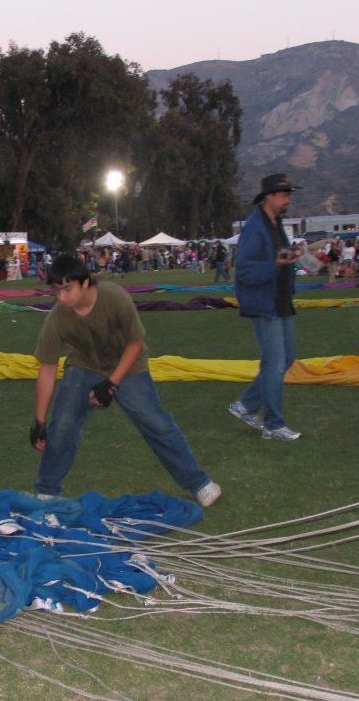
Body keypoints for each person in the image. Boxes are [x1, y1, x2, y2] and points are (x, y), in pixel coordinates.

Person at [30, 254, 222, 508]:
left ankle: (199, 483)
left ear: (85, 282)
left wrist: (111, 384)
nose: (62, 298)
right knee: (63, 423)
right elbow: (47, 368)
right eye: (57, 291)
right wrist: (39, 420)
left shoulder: (114, 298)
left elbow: (135, 343)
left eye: (68, 289)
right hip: (85, 365)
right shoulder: (57, 318)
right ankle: (47, 490)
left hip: (129, 364)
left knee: (155, 422)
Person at [229, 173, 303, 441]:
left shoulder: (276, 224)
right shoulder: (254, 227)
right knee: (274, 363)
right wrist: (277, 265)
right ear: (269, 197)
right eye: (284, 195)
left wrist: (290, 256)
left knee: (288, 357)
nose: (288, 200)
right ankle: (273, 424)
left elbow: (276, 258)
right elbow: (245, 271)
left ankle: (246, 405)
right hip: (264, 303)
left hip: (280, 299)